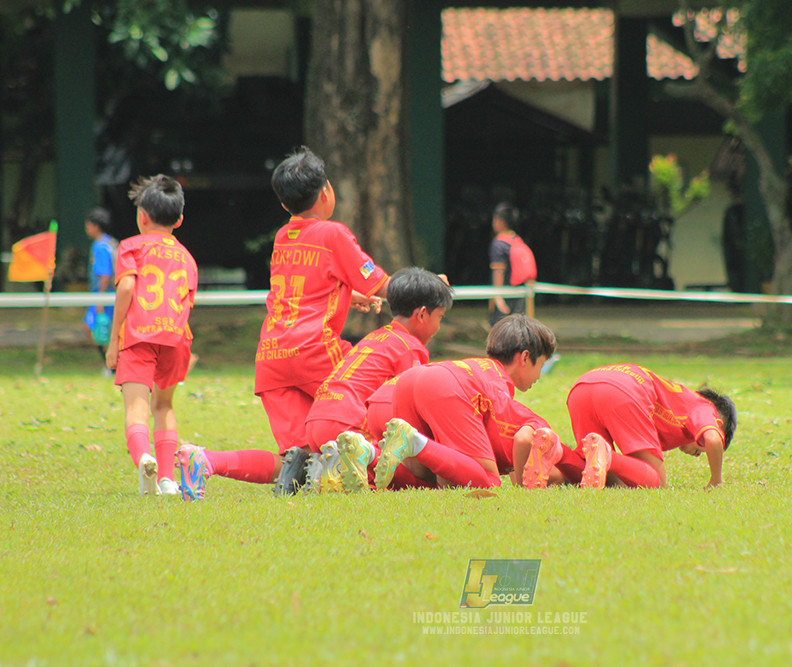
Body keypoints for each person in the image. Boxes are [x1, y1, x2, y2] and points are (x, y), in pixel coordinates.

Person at [176, 268, 452, 499]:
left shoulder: (375, 337)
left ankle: (207, 460)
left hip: (314, 411)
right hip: (348, 421)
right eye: (440, 317)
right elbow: (407, 415)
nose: (439, 326)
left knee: (294, 463)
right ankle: (331, 472)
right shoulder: (411, 348)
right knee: (417, 479)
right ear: (422, 314)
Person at [244, 146, 390, 498]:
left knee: (301, 446)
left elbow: (301, 289)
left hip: (272, 358)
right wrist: (428, 285)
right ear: (327, 191)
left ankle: (300, 471)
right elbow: (381, 283)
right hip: (315, 351)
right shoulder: (333, 234)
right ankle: (371, 466)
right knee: (363, 408)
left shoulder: (283, 236)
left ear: (284, 205)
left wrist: (347, 296)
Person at [372, 314, 556, 490]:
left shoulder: (478, 367)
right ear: (524, 357)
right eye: (540, 364)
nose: (539, 375)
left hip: (407, 381)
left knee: (423, 480)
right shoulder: (499, 383)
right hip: (442, 385)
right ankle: (414, 441)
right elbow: (506, 443)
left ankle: (369, 455)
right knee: (489, 480)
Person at [105, 175, 197, 498]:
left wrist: (115, 338)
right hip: (174, 339)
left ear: (142, 217)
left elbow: (128, 287)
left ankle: (144, 458)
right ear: (180, 219)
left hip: (139, 335)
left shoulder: (130, 246)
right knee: (164, 406)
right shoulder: (187, 258)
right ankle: (169, 480)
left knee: (136, 408)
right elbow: (187, 303)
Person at [564, 364, 737, 490]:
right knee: (655, 483)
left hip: (583, 387)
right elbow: (713, 440)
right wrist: (716, 480)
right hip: (624, 391)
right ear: (717, 423)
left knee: (604, 476)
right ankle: (608, 454)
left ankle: (557, 452)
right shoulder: (704, 407)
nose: (700, 453)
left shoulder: (680, 401)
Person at [83, 207, 117, 375]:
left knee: (97, 329)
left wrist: (99, 301)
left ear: (95, 226)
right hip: (109, 295)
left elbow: (104, 275)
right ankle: (111, 366)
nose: (87, 228)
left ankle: (111, 366)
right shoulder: (111, 242)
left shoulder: (100, 246)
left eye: (88, 225)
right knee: (101, 329)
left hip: (104, 294)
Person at [488, 202, 528, 326]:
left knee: (499, 334)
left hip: (505, 297)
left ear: (500, 221)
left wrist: (497, 298)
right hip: (520, 294)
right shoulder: (517, 239)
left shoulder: (498, 244)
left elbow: (498, 271)